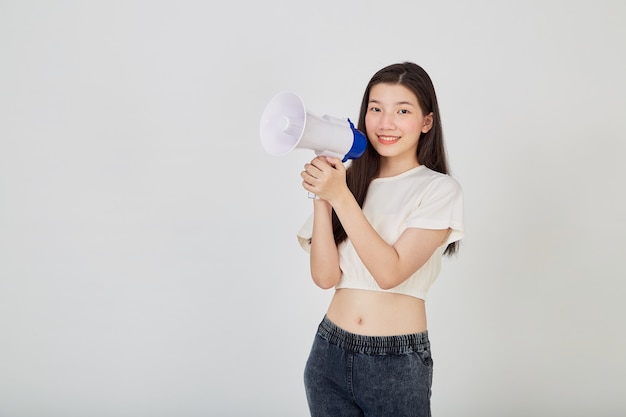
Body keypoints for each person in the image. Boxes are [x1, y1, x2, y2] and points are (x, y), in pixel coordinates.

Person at [297, 62, 464, 417]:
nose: (386, 123)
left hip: (395, 365)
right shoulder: (351, 181)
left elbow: (390, 273)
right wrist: (323, 197)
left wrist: (340, 196)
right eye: (376, 109)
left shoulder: (438, 189)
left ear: (426, 122)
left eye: (402, 111)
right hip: (328, 353)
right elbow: (326, 277)